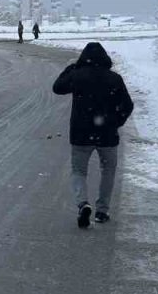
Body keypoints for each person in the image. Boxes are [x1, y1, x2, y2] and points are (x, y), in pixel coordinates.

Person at [52, 42, 134, 229]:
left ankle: (83, 204)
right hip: (107, 135)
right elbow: (127, 105)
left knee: (79, 171)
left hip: (81, 134)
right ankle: (102, 211)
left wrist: (72, 67)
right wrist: (115, 122)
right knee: (108, 171)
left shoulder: (77, 76)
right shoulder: (114, 78)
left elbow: (57, 87)